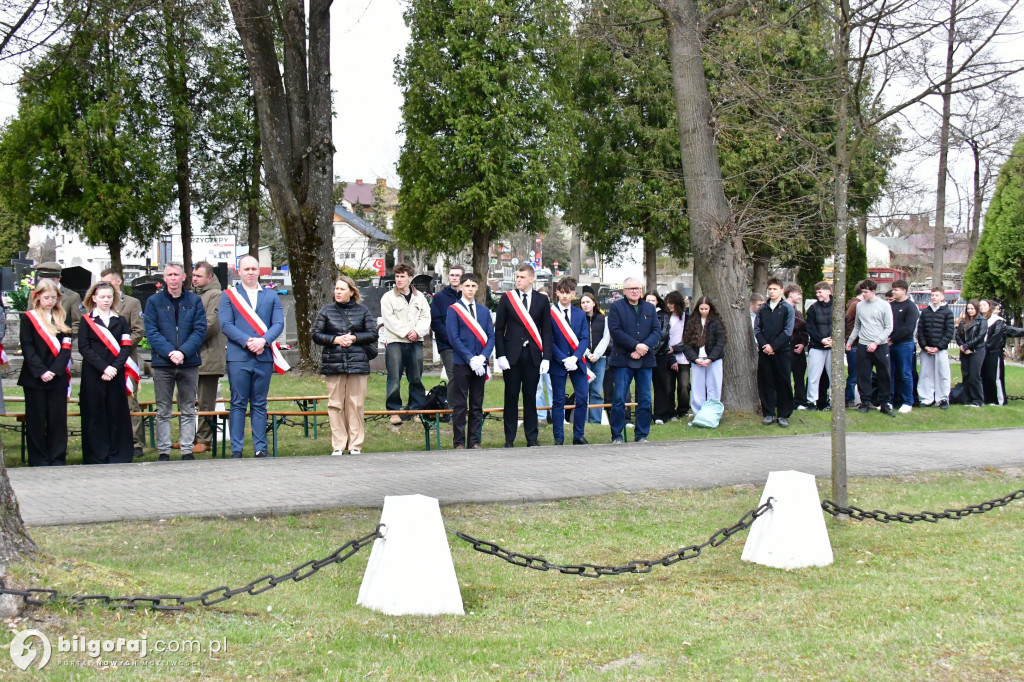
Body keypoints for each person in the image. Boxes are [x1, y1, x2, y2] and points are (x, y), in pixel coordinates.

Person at [219, 254, 287, 458]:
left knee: (259, 403)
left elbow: (278, 323)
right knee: (238, 402)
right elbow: (225, 324)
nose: (250, 272)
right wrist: (248, 341)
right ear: (238, 272)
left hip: (263, 356)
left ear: (259, 271)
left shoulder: (271, 296)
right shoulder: (229, 296)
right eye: (246, 269)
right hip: (239, 356)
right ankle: (237, 450)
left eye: (253, 269)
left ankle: (260, 448)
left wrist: (263, 341)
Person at [145, 262, 207, 461]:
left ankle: (187, 449)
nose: (173, 278)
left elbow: (199, 330)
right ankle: (164, 450)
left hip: (188, 363)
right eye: (169, 274)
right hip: (163, 363)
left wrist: (183, 352)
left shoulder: (194, 301)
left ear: (183, 277)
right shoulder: (154, 302)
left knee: (188, 408)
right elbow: (152, 332)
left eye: (176, 274)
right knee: (163, 409)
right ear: (164, 278)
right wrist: (170, 352)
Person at [313, 276, 377, 455]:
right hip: (334, 363)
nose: (338, 292)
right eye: (336, 289)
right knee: (335, 404)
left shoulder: (363, 311)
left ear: (352, 292)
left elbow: (372, 333)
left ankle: (356, 444)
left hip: (358, 363)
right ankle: (339, 444)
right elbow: (316, 335)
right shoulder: (326, 311)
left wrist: (355, 338)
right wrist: (335, 339)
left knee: (355, 404)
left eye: (342, 289)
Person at [495, 264, 553, 447]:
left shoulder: (541, 300)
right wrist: (500, 355)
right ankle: (509, 439)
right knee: (510, 397)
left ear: (531, 279)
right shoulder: (507, 298)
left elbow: (547, 332)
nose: (518, 280)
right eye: (517, 277)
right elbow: (498, 330)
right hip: (512, 356)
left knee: (530, 397)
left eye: (521, 277)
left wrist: (547, 357)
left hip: (533, 355)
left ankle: (532, 438)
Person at [79, 281, 135, 464]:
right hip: (94, 374)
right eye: (102, 297)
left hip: (116, 372)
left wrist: (114, 368)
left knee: (115, 412)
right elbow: (84, 348)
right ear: (94, 298)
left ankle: (118, 453)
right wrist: (104, 367)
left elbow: (126, 346)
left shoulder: (120, 320)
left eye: (109, 297)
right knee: (95, 414)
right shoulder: (87, 320)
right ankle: (97, 454)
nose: (106, 300)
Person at [18, 280, 73, 466]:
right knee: (36, 419)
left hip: (57, 377)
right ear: (38, 297)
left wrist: (54, 371)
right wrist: (41, 371)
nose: (50, 301)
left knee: (57, 419)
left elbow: (66, 348)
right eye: (46, 297)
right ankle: (38, 458)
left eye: (54, 298)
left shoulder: (61, 318)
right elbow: (27, 346)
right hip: (35, 377)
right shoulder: (29, 318)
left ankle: (57, 457)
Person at [607, 277, 660, 444]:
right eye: (631, 289)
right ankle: (617, 435)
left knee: (644, 398)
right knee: (619, 398)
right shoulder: (616, 308)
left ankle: (642, 435)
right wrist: (635, 346)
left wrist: (644, 347)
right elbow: (615, 331)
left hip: (645, 359)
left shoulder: (649, 307)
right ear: (624, 291)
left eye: (637, 288)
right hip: (623, 359)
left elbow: (656, 331)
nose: (635, 291)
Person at [444, 273, 495, 450]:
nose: (470, 289)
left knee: (476, 403)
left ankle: (474, 441)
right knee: (459, 404)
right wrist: (470, 358)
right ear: (461, 288)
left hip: (480, 364)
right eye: (467, 286)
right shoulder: (454, 310)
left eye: (473, 286)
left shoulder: (483, 311)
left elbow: (491, 336)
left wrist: (482, 357)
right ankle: (458, 442)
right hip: (461, 363)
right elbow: (453, 337)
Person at [100, 268, 146, 458]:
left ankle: (136, 442)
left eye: (108, 282)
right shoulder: (98, 300)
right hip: (103, 360)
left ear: (118, 282)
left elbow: (138, 329)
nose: (104, 286)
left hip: (126, 360)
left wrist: (122, 348)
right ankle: (110, 440)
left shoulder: (132, 303)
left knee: (129, 401)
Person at [381, 263, 431, 425]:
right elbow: (389, 320)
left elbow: (425, 318)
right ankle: (394, 411)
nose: (399, 280)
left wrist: (416, 332)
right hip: (396, 341)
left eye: (402, 276)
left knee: (416, 377)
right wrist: (406, 332)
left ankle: (415, 410)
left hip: (415, 341)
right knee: (394, 377)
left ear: (410, 278)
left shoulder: (420, 297)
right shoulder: (388, 298)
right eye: (397, 276)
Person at [550, 277, 590, 445]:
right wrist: (563, 358)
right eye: (562, 293)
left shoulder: (580, 314)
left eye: (568, 293)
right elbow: (549, 340)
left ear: (574, 294)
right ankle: (559, 437)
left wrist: (575, 357)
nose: (565, 296)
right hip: (558, 361)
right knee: (558, 400)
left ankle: (578, 435)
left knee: (582, 398)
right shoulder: (550, 313)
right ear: (557, 293)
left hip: (577, 362)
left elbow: (584, 338)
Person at [191, 262, 226, 454]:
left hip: (209, 356)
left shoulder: (216, 295)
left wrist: (186, 338)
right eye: (194, 275)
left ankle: (204, 440)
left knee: (205, 402)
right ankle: (189, 438)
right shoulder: (194, 295)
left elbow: (211, 325)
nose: (195, 278)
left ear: (209, 278)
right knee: (186, 399)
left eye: (199, 276)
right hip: (192, 357)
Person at [847, 279, 895, 416]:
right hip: (863, 344)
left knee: (884, 374)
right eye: (862, 292)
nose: (864, 294)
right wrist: (850, 341)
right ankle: (865, 402)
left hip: (880, 345)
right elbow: (857, 325)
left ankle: (885, 403)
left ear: (873, 291)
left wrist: (876, 342)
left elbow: (889, 327)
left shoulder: (884, 305)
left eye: (866, 292)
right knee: (863, 375)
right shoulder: (860, 306)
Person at [755, 278, 795, 427]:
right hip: (765, 351)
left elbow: (787, 331)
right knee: (766, 382)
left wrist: (774, 346)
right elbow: (757, 329)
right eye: (770, 289)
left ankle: (784, 414)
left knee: (783, 381)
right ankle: (769, 413)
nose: (772, 291)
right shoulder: (763, 308)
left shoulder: (787, 308)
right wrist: (765, 345)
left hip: (782, 351)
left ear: (781, 291)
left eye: (775, 289)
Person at [681, 295, 726, 416]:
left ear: (710, 308)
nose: (704, 311)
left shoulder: (716, 322)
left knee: (714, 387)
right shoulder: (692, 322)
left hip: (714, 360)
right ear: (698, 308)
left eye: (706, 309)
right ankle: (698, 414)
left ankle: (712, 413)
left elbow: (720, 342)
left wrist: (711, 358)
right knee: (697, 388)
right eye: (701, 309)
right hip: (697, 360)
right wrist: (695, 359)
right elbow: (686, 343)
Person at [430, 264, 464, 406]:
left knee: (465, 378)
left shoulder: (467, 296)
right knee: (454, 377)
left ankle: (463, 408)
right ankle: (453, 411)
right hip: (447, 345)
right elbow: (436, 323)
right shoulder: (439, 297)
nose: (454, 278)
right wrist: (453, 339)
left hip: (466, 345)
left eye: (458, 275)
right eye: (452, 275)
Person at [916, 287, 954, 409]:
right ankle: (926, 398)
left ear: (942, 297)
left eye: (936, 295)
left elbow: (949, 332)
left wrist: (938, 347)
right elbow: (920, 331)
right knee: (925, 374)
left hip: (940, 350)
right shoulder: (926, 312)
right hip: (926, 349)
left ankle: (942, 399)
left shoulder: (947, 312)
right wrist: (925, 346)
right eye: (932, 295)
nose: (934, 297)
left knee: (942, 374)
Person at [888, 280, 920, 413]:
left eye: (896, 289)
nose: (893, 292)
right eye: (893, 289)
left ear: (904, 291)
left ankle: (908, 401)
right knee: (889, 373)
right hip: (890, 344)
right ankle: (889, 400)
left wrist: (892, 339)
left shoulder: (911, 307)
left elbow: (908, 328)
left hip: (904, 344)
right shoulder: (890, 306)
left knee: (905, 373)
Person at [581, 292, 611, 424]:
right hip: (583, 358)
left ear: (594, 303)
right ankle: (582, 419)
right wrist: (587, 353)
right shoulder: (579, 319)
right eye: (583, 302)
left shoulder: (603, 319)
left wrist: (597, 354)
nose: (585, 305)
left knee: (597, 390)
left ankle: (595, 420)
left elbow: (606, 338)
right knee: (583, 389)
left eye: (588, 302)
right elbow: (577, 339)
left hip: (600, 359)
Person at [804, 282, 834, 411]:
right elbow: (810, 327)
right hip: (816, 346)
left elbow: (842, 325)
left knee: (833, 376)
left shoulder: (836, 307)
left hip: (833, 347)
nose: (818, 294)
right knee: (813, 376)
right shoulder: (813, 308)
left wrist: (833, 340)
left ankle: (833, 401)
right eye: (817, 292)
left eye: (820, 292)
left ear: (829, 292)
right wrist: (821, 340)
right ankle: (811, 401)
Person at [645, 291, 673, 425]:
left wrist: (649, 350)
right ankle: (644, 413)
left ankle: (660, 415)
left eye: (652, 300)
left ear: (657, 302)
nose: (650, 303)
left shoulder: (663, 315)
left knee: (660, 384)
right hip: (643, 354)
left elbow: (663, 335)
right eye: (647, 300)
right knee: (643, 386)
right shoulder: (640, 314)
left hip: (659, 355)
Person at [35, 261, 84, 337]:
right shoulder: (35, 295)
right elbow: (31, 319)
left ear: (59, 278)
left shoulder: (72, 296)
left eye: (51, 280)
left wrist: (68, 340)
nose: (48, 284)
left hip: (64, 342)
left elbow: (77, 323)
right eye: (43, 281)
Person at [664, 290, 690, 420]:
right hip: (668, 356)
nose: (669, 305)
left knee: (684, 386)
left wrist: (675, 348)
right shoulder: (664, 317)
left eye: (672, 303)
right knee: (669, 386)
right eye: (668, 303)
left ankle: (683, 410)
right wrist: (671, 353)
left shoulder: (687, 318)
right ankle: (670, 411)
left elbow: (689, 339)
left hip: (683, 357)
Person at [955, 300, 986, 407]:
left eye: (972, 308)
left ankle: (978, 400)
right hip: (965, 352)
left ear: (976, 309)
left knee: (975, 376)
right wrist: (962, 346)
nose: (970, 311)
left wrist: (967, 346)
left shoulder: (982, 321)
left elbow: (980, 336)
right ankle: (967, 399)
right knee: (966, 375)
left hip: (977, 351)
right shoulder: (964, 321)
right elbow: (958, 335)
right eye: (968, 309)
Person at [784, 285, 810, 411]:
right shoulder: (782, 309)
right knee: (785, 377)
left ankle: (800, 401)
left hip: (798, 350)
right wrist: (807, 323)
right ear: (791, 293)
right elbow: (792, 326)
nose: (800, 296)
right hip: (786, 349)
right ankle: (786, 401)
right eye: (798, 294)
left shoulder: (798, 312)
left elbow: (804, 332)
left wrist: (803, 344)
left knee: (800, 377)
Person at [979, 299, 1006, 405]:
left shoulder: (997, 321)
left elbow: (994, 338)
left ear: (989, 307)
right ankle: (985, 398)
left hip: (992, 352)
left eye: (984, 305)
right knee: (983, 375)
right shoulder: (979, 320)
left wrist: (983, 348)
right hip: (981, 352)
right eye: (980, 305)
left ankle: (998, 400)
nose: (982, 307)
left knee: (993, 376)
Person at [844, 283, 867, 407]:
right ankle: (849, 399)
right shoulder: (855, 304)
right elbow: (847, 321)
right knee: (853, 375)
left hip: (861, 344)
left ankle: (862, 399)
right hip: (854, 344)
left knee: (861, 374)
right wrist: (848, 339)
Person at [535, 287, 555, 425]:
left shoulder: (554, 314)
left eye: (545, 297)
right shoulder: (533, 313)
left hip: (551, 354)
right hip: (536, 354)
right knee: (538, 387)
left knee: (552, 385)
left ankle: (556, 414)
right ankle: (541, 415)